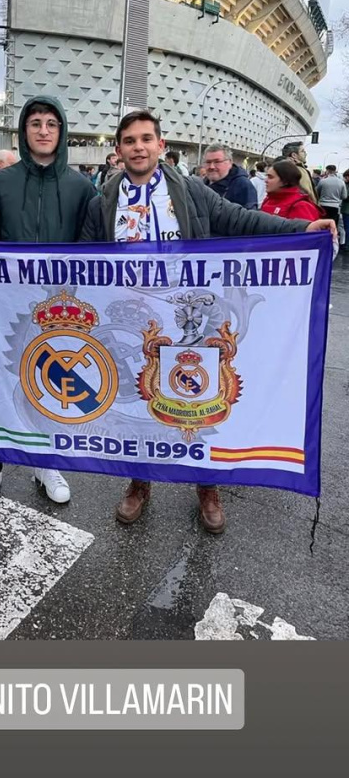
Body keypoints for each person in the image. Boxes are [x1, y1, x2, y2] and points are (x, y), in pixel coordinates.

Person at [80, 109, 336, 534]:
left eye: (147, 139)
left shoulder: (192, 190)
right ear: (119, 150)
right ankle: (140, 482)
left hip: (189, 318)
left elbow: (239, 219)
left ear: (161, 146)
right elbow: (83, 257)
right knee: (143, 400)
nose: (139, 147)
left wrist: (301, 227)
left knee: (197, 399)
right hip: (135, 318)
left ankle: (207, 485)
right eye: (130, 140)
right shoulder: (101, 201)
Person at [0, 95, 97, 513]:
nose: (43, 130)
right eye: (35, 123)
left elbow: (89, 247)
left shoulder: (81, 186)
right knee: (1, 382)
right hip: (6, 301)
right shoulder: (2, 181)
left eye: (51, 124)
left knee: (49, 384)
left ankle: (46, 463)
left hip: (58, 305)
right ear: (24, 132)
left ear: (61, 132)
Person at [204, 143, 258, 209]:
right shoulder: (201, 184)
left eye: (217, 162)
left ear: (230, 163)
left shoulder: (243, 185)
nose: (211, 167)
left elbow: (249, 216)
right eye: (208, 162)